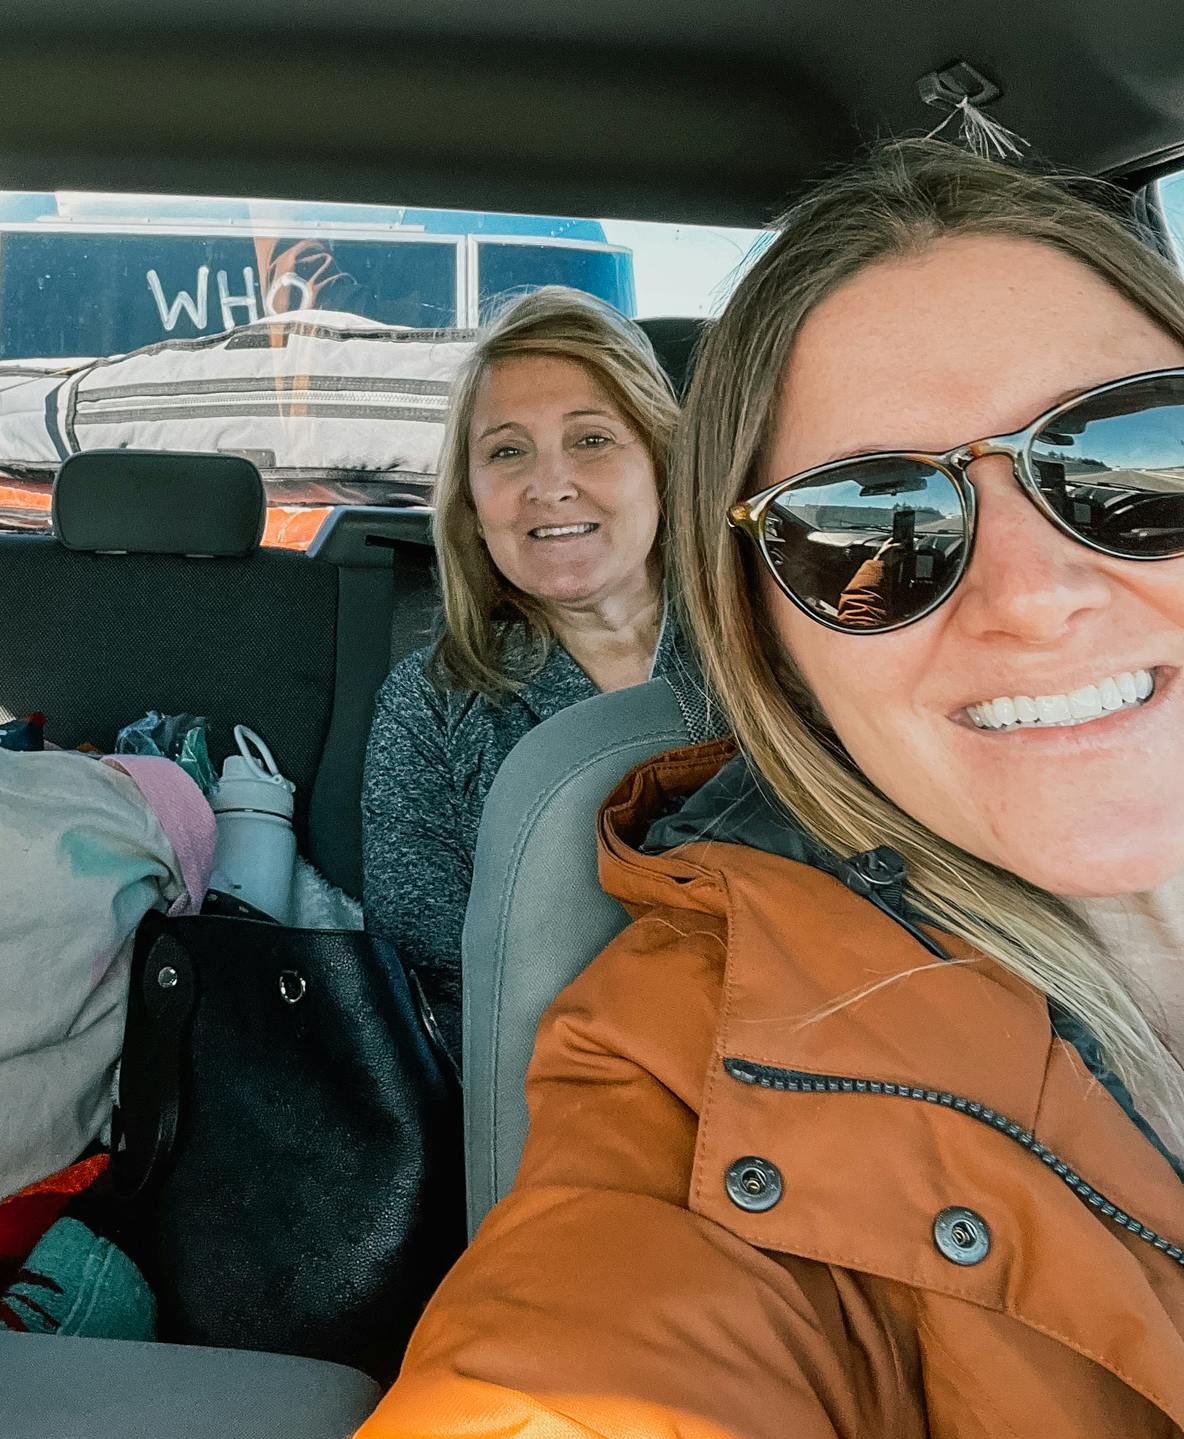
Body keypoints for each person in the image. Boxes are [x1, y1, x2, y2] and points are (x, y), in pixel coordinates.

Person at [358, 140, 1184, 1437]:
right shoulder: (447, 711)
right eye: (867, 529)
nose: (1036, 598)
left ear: (659, 463)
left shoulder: (725, 665)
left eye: (1131, 459)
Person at [361, 287, 687, 1052]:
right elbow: (437, 978)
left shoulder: (775, 658)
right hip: (547, 1101)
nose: (551, 485)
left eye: (593, 439)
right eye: (507, 451)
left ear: (661, 463)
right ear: (472, 502)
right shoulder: (431, 704)